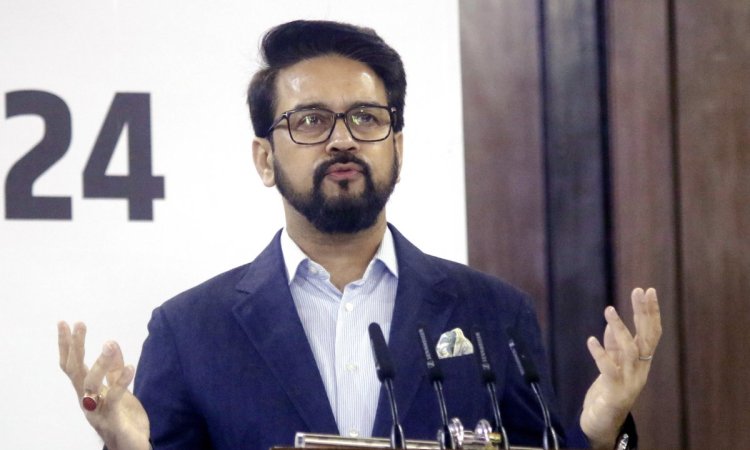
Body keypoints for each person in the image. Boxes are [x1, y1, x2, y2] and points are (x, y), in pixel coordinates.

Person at [58, 20, 662, 450]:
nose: (342, 139)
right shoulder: (190, 331)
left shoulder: (492, 314)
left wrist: (601, 435)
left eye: (366, 118)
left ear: (396, 147)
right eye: (311, 120)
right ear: (265, 159)